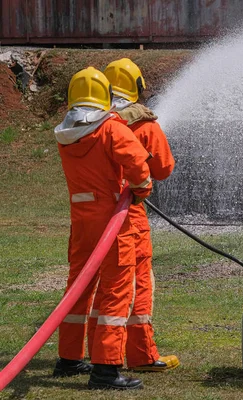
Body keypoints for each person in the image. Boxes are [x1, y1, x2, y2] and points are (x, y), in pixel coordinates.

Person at [52, 67, 153, 390]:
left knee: (78, 289)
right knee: (115, 291)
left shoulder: (65, 134)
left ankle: (68, 358)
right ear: (105, 97)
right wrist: (141, 188)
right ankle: (106, 369)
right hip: (112, 222)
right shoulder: (110, 128)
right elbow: (138, 162)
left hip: (81, 223)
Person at [89, 58, 178, 372]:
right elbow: (164, 169)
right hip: (130, 217)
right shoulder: (143, 122)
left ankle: (98, 352)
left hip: (95, 214)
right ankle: (140, 355)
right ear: (137, 87)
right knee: (138, 283)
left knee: (104, 285)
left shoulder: (94, 120)